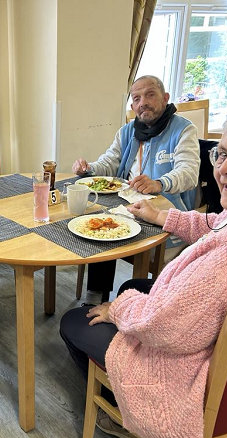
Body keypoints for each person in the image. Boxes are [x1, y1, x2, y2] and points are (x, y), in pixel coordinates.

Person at [60, 100, 227, 438]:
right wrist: (162, 217)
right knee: (133, 284)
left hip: (192, 373)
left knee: (74, 321)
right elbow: (216, 224)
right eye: (221, 154)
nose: (224, 169)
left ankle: (125, 417)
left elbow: (165, 326)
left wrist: (118, 309)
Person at [72, 75, 200, 304]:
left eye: (150, 95)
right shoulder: (127, 131)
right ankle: (95, 296)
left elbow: (189, 173)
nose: (144, 103)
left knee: (107, 230)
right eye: (137, 98)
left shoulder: (184, 130)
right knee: (100, 226)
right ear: (132, 106)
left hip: (163, 215)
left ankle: (139, 306)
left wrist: (160, 183)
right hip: (126, 206)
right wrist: (88, 168)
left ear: (165, 98)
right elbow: (109, 162)